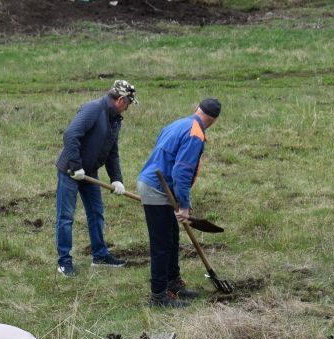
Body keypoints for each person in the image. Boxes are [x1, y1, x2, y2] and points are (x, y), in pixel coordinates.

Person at [137, 98, 222, 308]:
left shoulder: (178, 124)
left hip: (161, 186)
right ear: (214, 120)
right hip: (156, 188)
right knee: (162, 243)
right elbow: (181, 171)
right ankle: (158, 296)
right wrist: (183, 205)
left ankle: (173, 283)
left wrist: (182, 200)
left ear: (196, 109)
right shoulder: (195, 134)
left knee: (172, 238)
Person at [54, 79, 139, 276]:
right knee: (66, 217)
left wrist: (116, 179)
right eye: (128, 105)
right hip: (70, 169)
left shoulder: (115, 119)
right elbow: (70, 135)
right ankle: (64, 262)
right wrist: (76, 166)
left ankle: (100, 255)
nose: (127, 109)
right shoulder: (93, 109)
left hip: (89, 172)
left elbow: (112, 151)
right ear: (121, 100)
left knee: (96, 213)